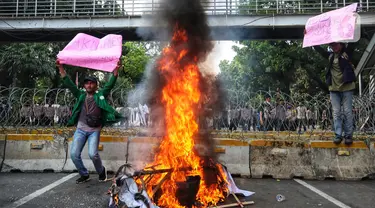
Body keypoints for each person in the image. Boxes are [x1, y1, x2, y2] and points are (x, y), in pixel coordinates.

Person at [56, 59, 123, 184]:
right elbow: (69, 83)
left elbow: (110, 84)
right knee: (74, 154)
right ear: (84, 85)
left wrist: (116, 69)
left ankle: (101, 171)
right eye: (87, 83)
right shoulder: (80, 94)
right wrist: (60, 68)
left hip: (94, 130)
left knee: (93, 154)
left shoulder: (100, 94)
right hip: (80, 129)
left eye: (92, 83)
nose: (89, 85)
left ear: (96, 85)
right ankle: (84, 174)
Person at [313, 42, 356, 145]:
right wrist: (312, 39)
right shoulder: (330, 56)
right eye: (332, 46)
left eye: (336, 45)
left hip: (347, 87)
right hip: (334, 88)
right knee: (336, 112)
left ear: (341, 44)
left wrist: (356, 27)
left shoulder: (346, 53)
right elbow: (320, 50)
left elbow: (354, 43)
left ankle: (348, 135)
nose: (334, 47)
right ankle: (338, 134)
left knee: (347, 112)